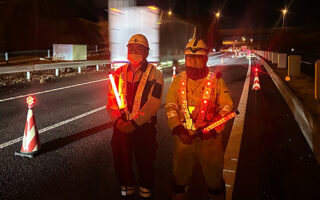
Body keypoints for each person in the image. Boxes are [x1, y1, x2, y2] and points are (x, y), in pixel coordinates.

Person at [165, 38, 233, 200]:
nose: (193, 61)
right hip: (183, 140)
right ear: (185, 58)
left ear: (205, 59)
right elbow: (170, 106)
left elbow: (226, 107)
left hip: (210, 141)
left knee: (215, 182)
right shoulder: (178, 81)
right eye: (190, 57)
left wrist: (213, 129)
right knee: (179, 182)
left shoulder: (216, 80)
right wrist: (178, 129)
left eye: (197, 57)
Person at [107, 34, 164, 199]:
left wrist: (135, 123)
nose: (133, 50)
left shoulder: (155, 74)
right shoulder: (118, 73)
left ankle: (146, 188)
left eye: (138, 48)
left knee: (145, 160)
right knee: (121, 159)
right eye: (130, 47)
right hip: (121, 127)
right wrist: (118, 120)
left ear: (147, 52)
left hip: (143, 128)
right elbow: (111, 100)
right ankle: (127, 185)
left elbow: (154, 102)